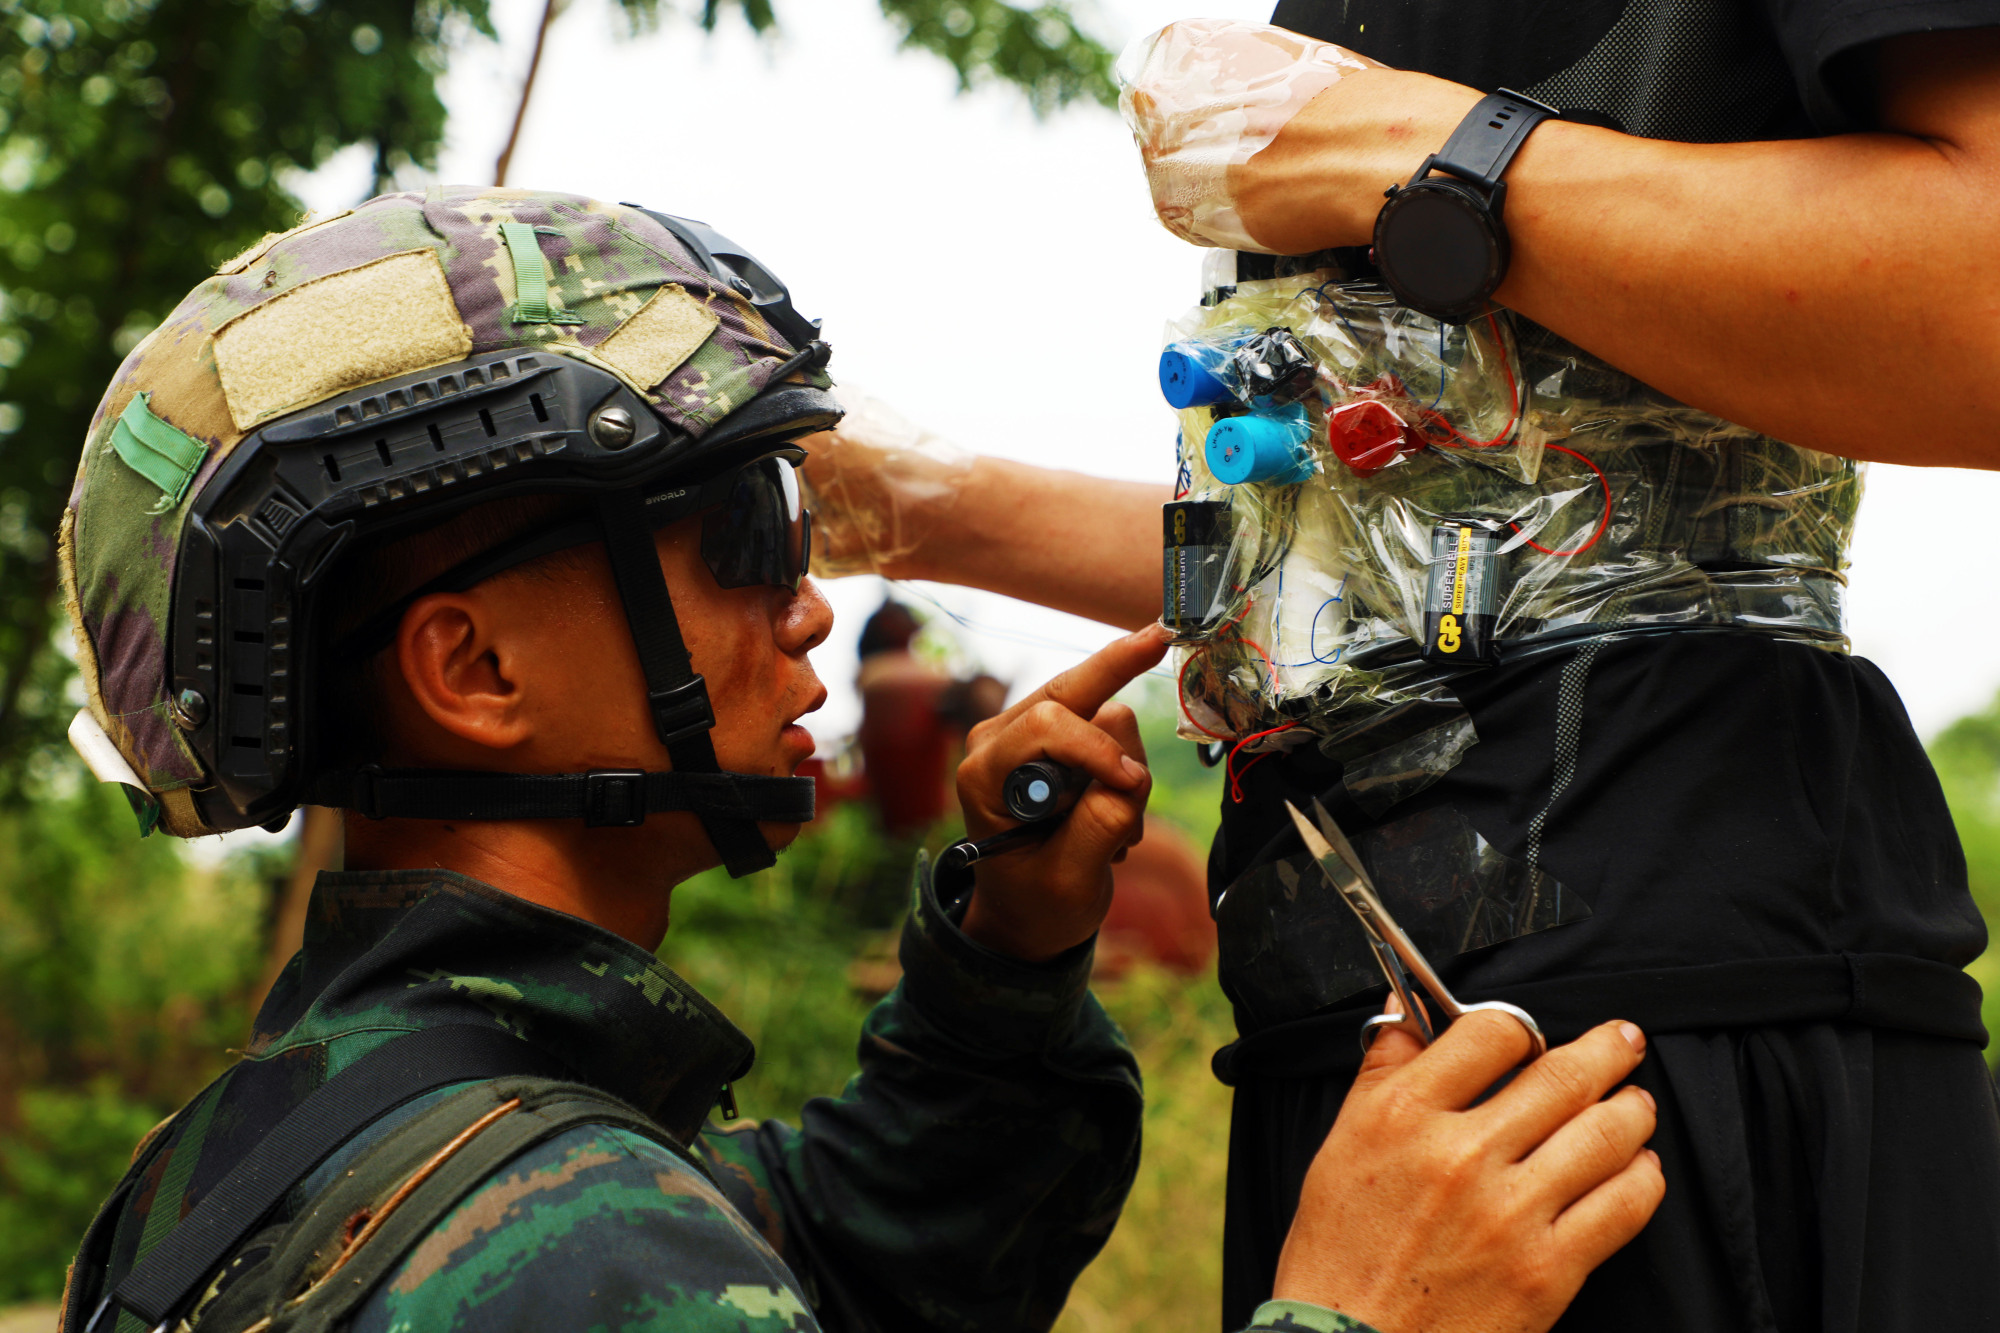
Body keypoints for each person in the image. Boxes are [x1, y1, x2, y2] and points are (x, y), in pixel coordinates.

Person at [55, 189, 1662, 1333]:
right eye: (747, 530)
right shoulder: (573, 1249)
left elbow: (865, 1257)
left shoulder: (270, 1158)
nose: (811, 600)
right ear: (476, 671)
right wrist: (1368, 1311)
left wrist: (1006, 956)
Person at [798, 9, 2000, 1329]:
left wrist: (1418, 149)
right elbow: (1415, 556)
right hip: (1349, 1061)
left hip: (1647, 1069)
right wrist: (907, 504)